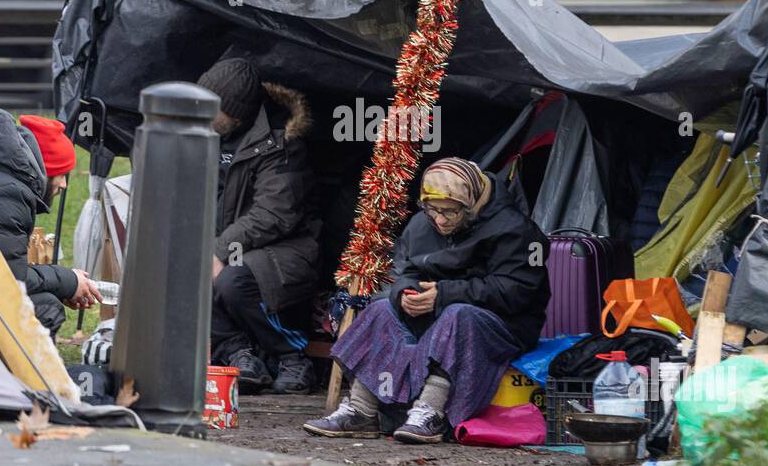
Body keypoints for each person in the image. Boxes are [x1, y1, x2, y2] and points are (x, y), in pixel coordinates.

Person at [304, 157, 549, 444]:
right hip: (433, 311)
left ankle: (431, 411)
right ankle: (362, 410)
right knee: (382, 308)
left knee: (458, 315)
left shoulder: (518, 230)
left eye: (450, 212)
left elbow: (517, 290)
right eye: (433, 210)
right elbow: (402, 270)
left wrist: (443, 295)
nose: (440, 220)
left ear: (471, 203)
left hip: (500, 324)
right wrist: (405, 294)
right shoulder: (423, 224)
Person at [199, 58, 321, 394]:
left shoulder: (282, 142)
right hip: (225, 243)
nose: (204, 115)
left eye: (215, 111)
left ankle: (293, 356)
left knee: (232, 280)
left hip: (286, 248)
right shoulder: (197, 133)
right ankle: (238, 353)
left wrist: (219, 250)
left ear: (238, 114)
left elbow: (275, 213)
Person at [0, 109, 102, 335]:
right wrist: (68, 280)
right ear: (45, 172)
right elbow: (11, 279)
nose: (65, 185)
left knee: (46, 298)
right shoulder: (7, 196)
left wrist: (62, 284)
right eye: (61, 174)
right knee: (47, 308)